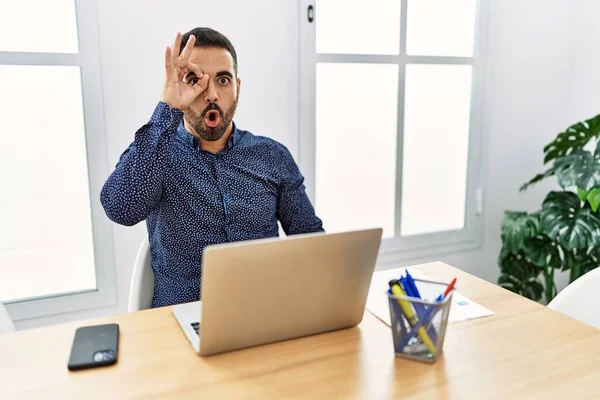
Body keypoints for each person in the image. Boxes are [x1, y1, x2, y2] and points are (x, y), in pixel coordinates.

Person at [100, 27, 324, 308]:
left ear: (237, 88)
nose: (212, 94)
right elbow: (120, 208)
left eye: (223, 80)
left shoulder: (272, 157)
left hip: (263, 317)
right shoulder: (157, 153)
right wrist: (167, 105)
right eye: (195, 80)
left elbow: (312, 245)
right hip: (180, 323)